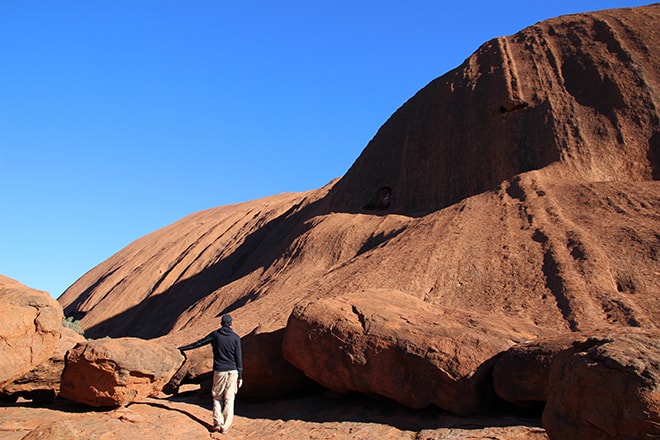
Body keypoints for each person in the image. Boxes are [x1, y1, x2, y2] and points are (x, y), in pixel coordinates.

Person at [178, 314, 243, 434]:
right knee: (229, 398)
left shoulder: (216, 335)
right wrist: (240, 376)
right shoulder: (235, 337)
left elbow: (199, 343)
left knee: (217, 397)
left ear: (221, 323)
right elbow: (238, 358)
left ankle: (217, 422)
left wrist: (182, 348)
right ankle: (225, 426)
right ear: (231, 323)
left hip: (219, 371)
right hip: (233, 371)